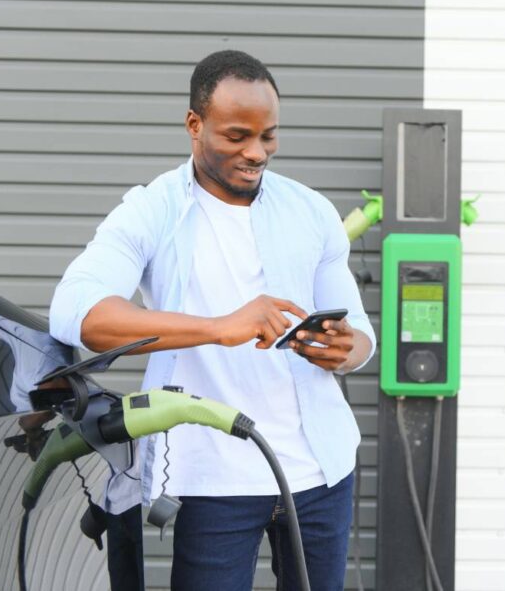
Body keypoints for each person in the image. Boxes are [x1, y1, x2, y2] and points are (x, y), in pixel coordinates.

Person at [49, 49, 376, 591]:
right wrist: (219, 326)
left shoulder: (312, 211)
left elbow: (364, 336)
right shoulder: (151, 209)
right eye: (236, 136)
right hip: (213, 478)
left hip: (322, 472)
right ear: (194, 125)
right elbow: (77, 311)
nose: (256, 152)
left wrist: (349, 349)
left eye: (268, 136)